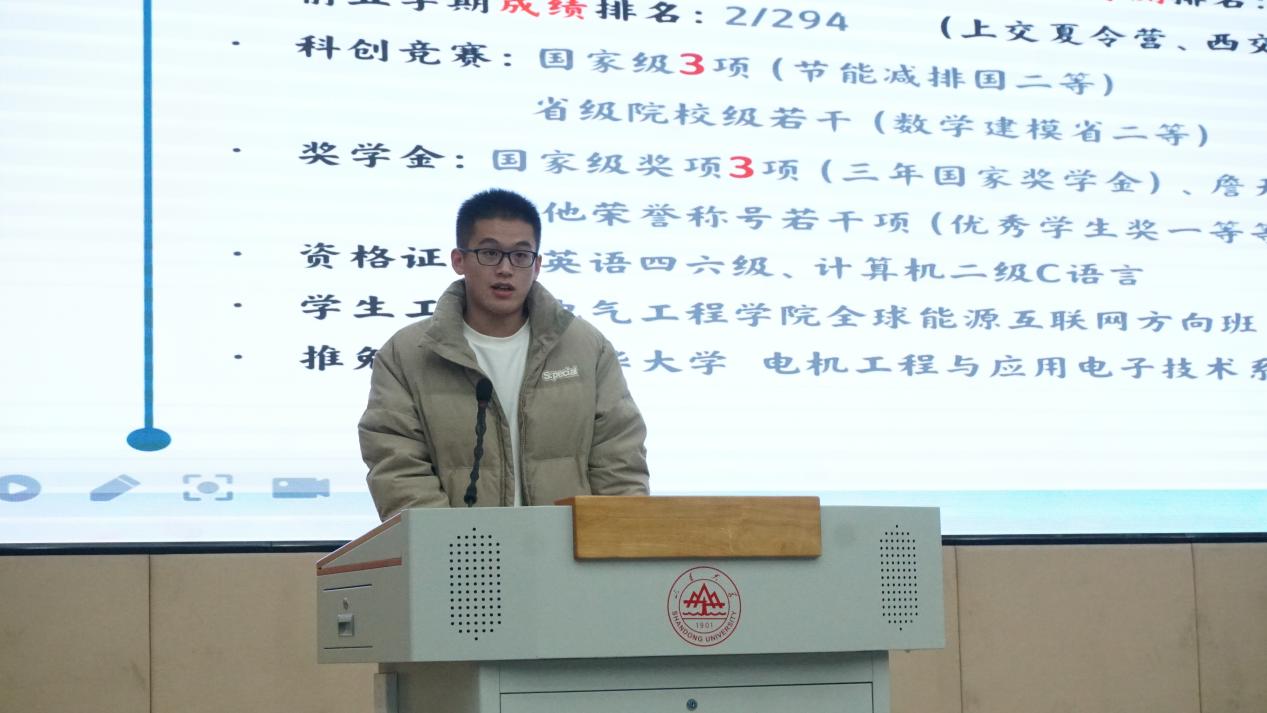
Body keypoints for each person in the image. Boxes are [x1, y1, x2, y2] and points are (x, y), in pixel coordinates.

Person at [359, 188, 649, 519]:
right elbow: (397, 467)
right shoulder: (407, 354)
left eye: (521, 255)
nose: (506, 269)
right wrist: (453, 543)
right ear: (459, 260)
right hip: (459, 549)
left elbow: (620, 459)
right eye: (490, 253)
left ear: (537, 265)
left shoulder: (586, 348)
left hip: (569, 549)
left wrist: (615, 540)